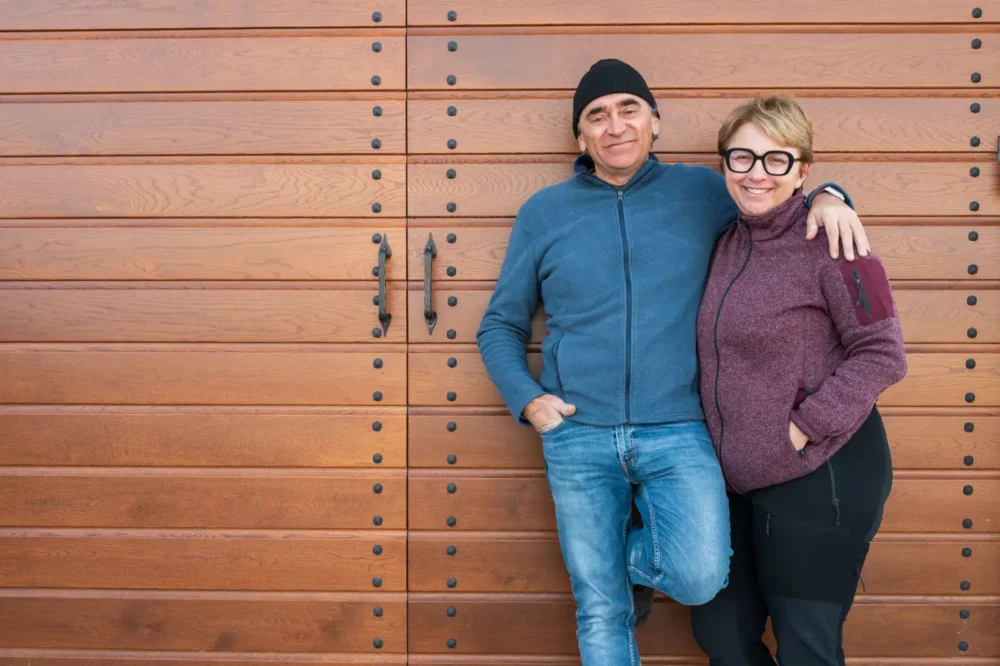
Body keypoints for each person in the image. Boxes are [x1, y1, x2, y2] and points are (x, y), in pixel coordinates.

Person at [476, 59, 868, 666]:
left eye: (629, 109)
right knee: (600, 608)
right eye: (596, 116)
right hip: (577, 432)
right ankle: (607, 580)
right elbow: (500, 323)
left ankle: (619, 564)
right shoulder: (543, 213)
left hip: (682, 431)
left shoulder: (703, 192)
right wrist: (528, 401)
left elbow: (769, 192)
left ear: (655, 121)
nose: (615, 126)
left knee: (699, 576)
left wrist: (831, 196)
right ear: (580, 137)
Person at [689, 95, 907, 665]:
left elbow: (884, 352)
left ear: (802, 169)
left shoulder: (838, 244)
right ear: (724, 166)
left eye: (776, 159)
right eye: (742, 157)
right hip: (736, 481)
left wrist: (804, 426)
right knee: (723, 640)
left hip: (819, 471)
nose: (757, 173)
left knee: (807, 647)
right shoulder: (724, 243)